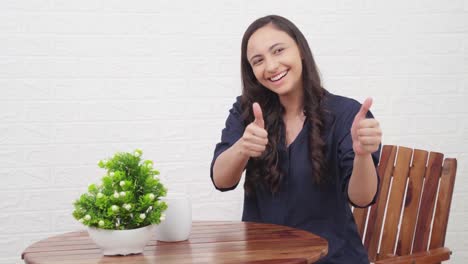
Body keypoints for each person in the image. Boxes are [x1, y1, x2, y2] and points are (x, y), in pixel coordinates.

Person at [210, 15, 382, 264]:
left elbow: (362, 198)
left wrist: (362, 154)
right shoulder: (246, 110)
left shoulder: (345, 114)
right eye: (258, 61)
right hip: (264, 258)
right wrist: (242, 148)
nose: (270, 66)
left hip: (332, 258)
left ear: (300, 49)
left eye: (278, 50)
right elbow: (221, 179)